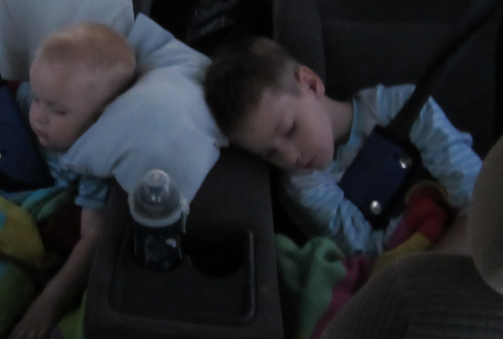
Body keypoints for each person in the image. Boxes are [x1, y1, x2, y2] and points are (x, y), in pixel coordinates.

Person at [0, 21, 136, 339]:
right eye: (39, 99)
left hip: (11, 232)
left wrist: (48, 305)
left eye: (57, 110)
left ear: (101, 116)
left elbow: (92, 239)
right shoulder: (22, 99)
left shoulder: (92, 161)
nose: (39, 115)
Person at [203, 36, 481, 259]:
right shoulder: (303, 186)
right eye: (270, 154)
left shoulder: (401, 106)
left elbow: (477, 192)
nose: (290, 157)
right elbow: (368, 253)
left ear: (311, 84)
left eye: (290, 129)